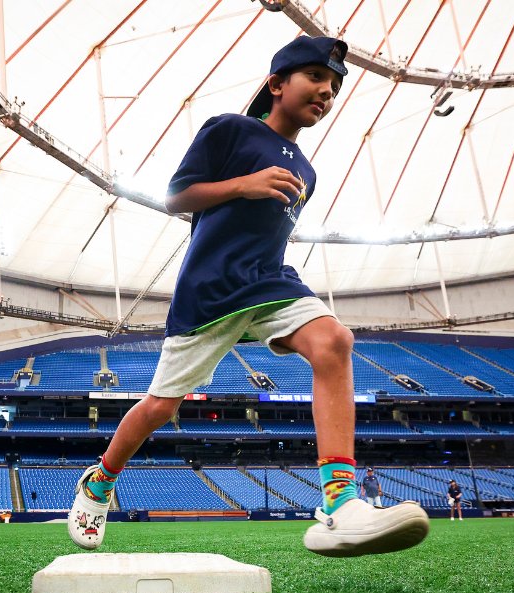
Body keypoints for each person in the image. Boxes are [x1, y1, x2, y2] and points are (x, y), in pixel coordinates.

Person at [66, 36, 429, 558]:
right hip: (211, 288)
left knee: (334, 341)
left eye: (334, 88)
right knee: (160, 407)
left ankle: (339, 504)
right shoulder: (229, 129)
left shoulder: (308, 171)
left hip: (270, 279)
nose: (326, 92)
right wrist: (244, 185)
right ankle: (99, 482)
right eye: (315, 80)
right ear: (277, 84)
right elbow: (176, 197)